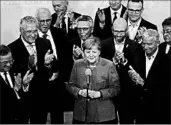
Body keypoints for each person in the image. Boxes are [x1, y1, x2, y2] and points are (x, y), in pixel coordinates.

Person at [8, 16, 54, 124]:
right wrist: (28, 66)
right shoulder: (12, 48)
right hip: (23, 98)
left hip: (42, 96)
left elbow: (54, 66)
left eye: (35, 31)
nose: (33, 35)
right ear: (21, 30)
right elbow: (11, 72)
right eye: (29, 31)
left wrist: (48, 64)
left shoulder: (44, 43)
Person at [67, 36, 120, 124]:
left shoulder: (109, 65)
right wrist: (80, 92)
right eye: (88, 52)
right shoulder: (77, 64)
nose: (91, 55)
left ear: (99, 52)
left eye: (94, 52)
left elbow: (116, 89)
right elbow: (70, 85)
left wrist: (99, 94)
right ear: (83, 52)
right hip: (82, 115)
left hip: (104, 116)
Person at [100, 18, 140, 124]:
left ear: (126, 31)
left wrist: (124, 62)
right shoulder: (104, 44)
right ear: (112, 30)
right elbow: (99, 66)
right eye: (116, 31)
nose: (118, 34)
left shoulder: (134, 46)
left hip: (127, 91)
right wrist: (113, 61)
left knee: (127, 120)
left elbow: (137, 68)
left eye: (121, 31)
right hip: (108, 89)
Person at [128, 29, 170, 124]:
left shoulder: (166, 60)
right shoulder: (137, 56)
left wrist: (143, 83)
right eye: (144, 43)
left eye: (150, 44)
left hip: (159, 110)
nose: (146, 47)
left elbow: (165, 88)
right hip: (140, 110)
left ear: (158, 43)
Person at [35, 7, 65, 124]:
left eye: (48, 20)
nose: (45, 24)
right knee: (39, 117)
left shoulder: (59, 33)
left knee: (58, 118)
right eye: (42, 21)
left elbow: (64, 57)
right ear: (37, 21)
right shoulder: (33, 37)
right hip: (39, 84)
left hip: (57, 83)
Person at [0, 45, 33, 124]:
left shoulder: (16, 71)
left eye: (11, 61)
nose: (9, 64)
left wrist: (24, 85)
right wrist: (15, 90)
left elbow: (24, 100)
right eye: (5, 62)